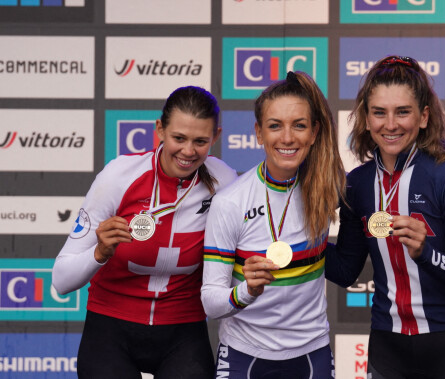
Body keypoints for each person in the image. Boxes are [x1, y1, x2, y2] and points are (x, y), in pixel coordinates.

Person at [52, 86, 238, 379]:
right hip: (110, 327)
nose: (188, 151)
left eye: (200, 141)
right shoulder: (118, 176)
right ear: (160, 130)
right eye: (179, 138)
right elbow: (61, 280)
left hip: (183, 331)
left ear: (215, 137)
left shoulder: (224, 180)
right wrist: (99, 252)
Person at [325, 55, 445, 379]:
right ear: (366, 119)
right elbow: (345, 270)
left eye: (403, 112)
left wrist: (425, 253)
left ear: (424, 116)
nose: (391, 124)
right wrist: (303, 242)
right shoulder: (357, 183)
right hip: (388, 347)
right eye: (379, 113)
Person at [201, 71, 345, 379]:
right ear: (258, 132)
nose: (288, 138)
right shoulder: (230, 203)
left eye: (299, 125)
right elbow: (211, 303)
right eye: (275, 126)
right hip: (244, 355)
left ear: (315, 131)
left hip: (311, 353)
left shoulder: (325, 189)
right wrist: (247, 290)